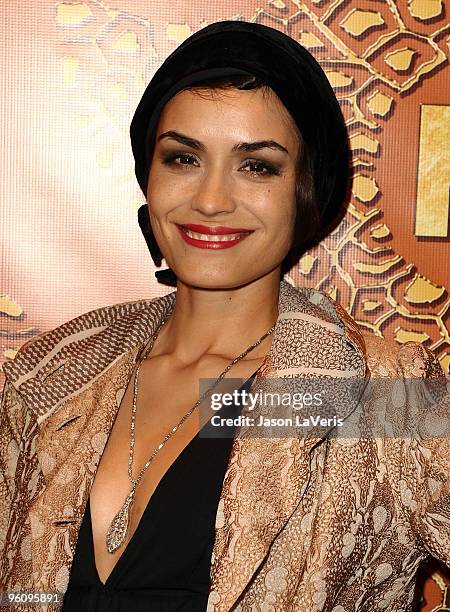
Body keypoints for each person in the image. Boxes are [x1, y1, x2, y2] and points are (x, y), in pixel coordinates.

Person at [1, 19, 449, 612]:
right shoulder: (47, 378)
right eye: (183, 158)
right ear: (149, 177)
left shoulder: (383, 395)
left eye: (257, 165)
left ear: (304, 190)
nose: (211, 200)